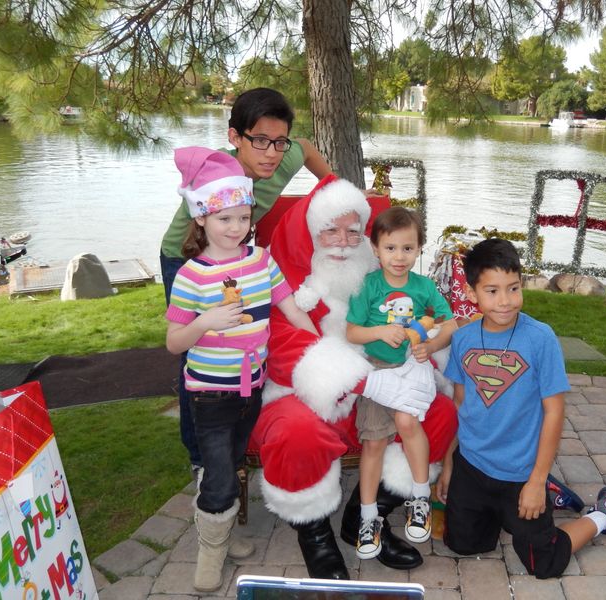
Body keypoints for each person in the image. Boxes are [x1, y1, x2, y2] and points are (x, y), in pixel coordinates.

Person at [248, 175, 459, 580]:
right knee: (294, 432)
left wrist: (424, 347)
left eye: (352, 231)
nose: (344, 241)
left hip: (378, 384)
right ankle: (314, 534)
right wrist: (367, 381)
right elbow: (285, 350)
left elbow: (420, 320)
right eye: (330, 230)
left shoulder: (380, 282)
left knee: (440, 413)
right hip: (303, 393)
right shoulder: (285, 286)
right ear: (310, 234)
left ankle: (366, 515)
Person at [165, 147, 319, 593]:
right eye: (223, 219)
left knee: (231, 465)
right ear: (201, 220)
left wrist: (319, 344)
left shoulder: (260, 261)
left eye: (242, 217)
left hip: (252, 386)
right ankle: (210, 553)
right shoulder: (192, 275)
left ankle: (222, 530)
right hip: (210, 393)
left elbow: (289, 307)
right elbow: (174, 342)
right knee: (216, 472)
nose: (236, 228)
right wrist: (204, 322)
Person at [437, 238, 606, 579]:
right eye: (492, 290)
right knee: (463, 544)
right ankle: (537, 500)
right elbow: (461, 404)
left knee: (544, 563)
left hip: (521, 472)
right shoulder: (463, 338)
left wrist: (536, 480)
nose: (505, 301)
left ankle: (603, 513)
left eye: (513, 288)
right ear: (472, 294)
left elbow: (554, 412)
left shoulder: (540, 338)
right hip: (472, 465)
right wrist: (448, 465)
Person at [160, 88, 332, 474]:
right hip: (185, 257)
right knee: (196, 351)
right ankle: (201, 459)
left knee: (246, 334)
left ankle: (241, 436)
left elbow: (304, 148)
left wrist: (334, 182)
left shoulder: (286, 152)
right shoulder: (219, 174)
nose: (271, 152)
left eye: (278, 141)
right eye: (259, 140)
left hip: (237, 258)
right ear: (234, 137)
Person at [346, 206, 458, 558]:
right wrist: (380, 330)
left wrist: (429, 344)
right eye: (390, 248)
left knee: (409, 421)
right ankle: (368, 517)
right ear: (376, 249)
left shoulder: (424, 287)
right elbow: (351, 331)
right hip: (378, 371)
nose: (399, 256)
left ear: (419, 249)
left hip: (412, 366)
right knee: (375, 442)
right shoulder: (368, 285)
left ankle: (420, 497)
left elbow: (450, 322)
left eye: (407, 248)